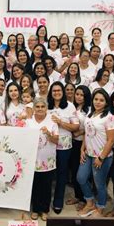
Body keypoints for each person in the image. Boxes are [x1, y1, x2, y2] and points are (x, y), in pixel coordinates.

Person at [77, 89, 114, 218]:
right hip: (88, 154)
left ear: (106, 102)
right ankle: (90, 202)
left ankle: (100, 207)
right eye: (96, 99)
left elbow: (111, 140)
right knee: (81, 178)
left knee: (99, 183)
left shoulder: (109, 117)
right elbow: (87, 134)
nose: (98, 102)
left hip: (101, 157)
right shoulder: (90, 114)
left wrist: (101, 157)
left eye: (101, 100)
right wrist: (82, 149)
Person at [48, 82, 79, 214]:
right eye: (54, 91)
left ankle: (58, 201)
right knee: (47, 174)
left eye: (59, 90)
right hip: (47, 145)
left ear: (63, 92)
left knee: (62, 174)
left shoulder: (70, 106)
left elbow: (76, 127)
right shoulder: (46, 105)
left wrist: (61, 122)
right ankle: (44, 199)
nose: (56, 93)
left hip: (64, 146)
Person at [27, 97, 59, 221]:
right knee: (34, 185)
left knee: (46, 186)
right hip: (32, 160)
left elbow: (57, 140)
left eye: (42, 107)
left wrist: (48, 133)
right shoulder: (29, 122)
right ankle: (35, 209)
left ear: (46, 108)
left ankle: (45, 210)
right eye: (37, 107)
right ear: (34, 108)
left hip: (47, 160)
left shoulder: (52, 122)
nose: (40, 109)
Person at [66, 85, 91, 208]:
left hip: (84, 143)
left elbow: (90, 127)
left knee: (82, 174)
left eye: (82, 95)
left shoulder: (89, 110)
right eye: (77, 94)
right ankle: (77, 196)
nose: (79, 97)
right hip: (72, 142)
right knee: (74, 170)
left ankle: (85, 199)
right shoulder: (71, 107)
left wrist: (79, 133)